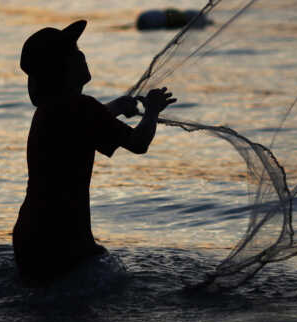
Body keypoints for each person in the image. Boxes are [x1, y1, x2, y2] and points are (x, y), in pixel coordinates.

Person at [12, 19, 176, 282]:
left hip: (31, 237)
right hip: (65, 241)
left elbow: (80, 127)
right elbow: (138, 143)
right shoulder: (83, 108)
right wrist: (153, 111)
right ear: (62, 68)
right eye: (74, 52)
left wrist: (117, 107)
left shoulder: (48, 111)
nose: (82, 55)